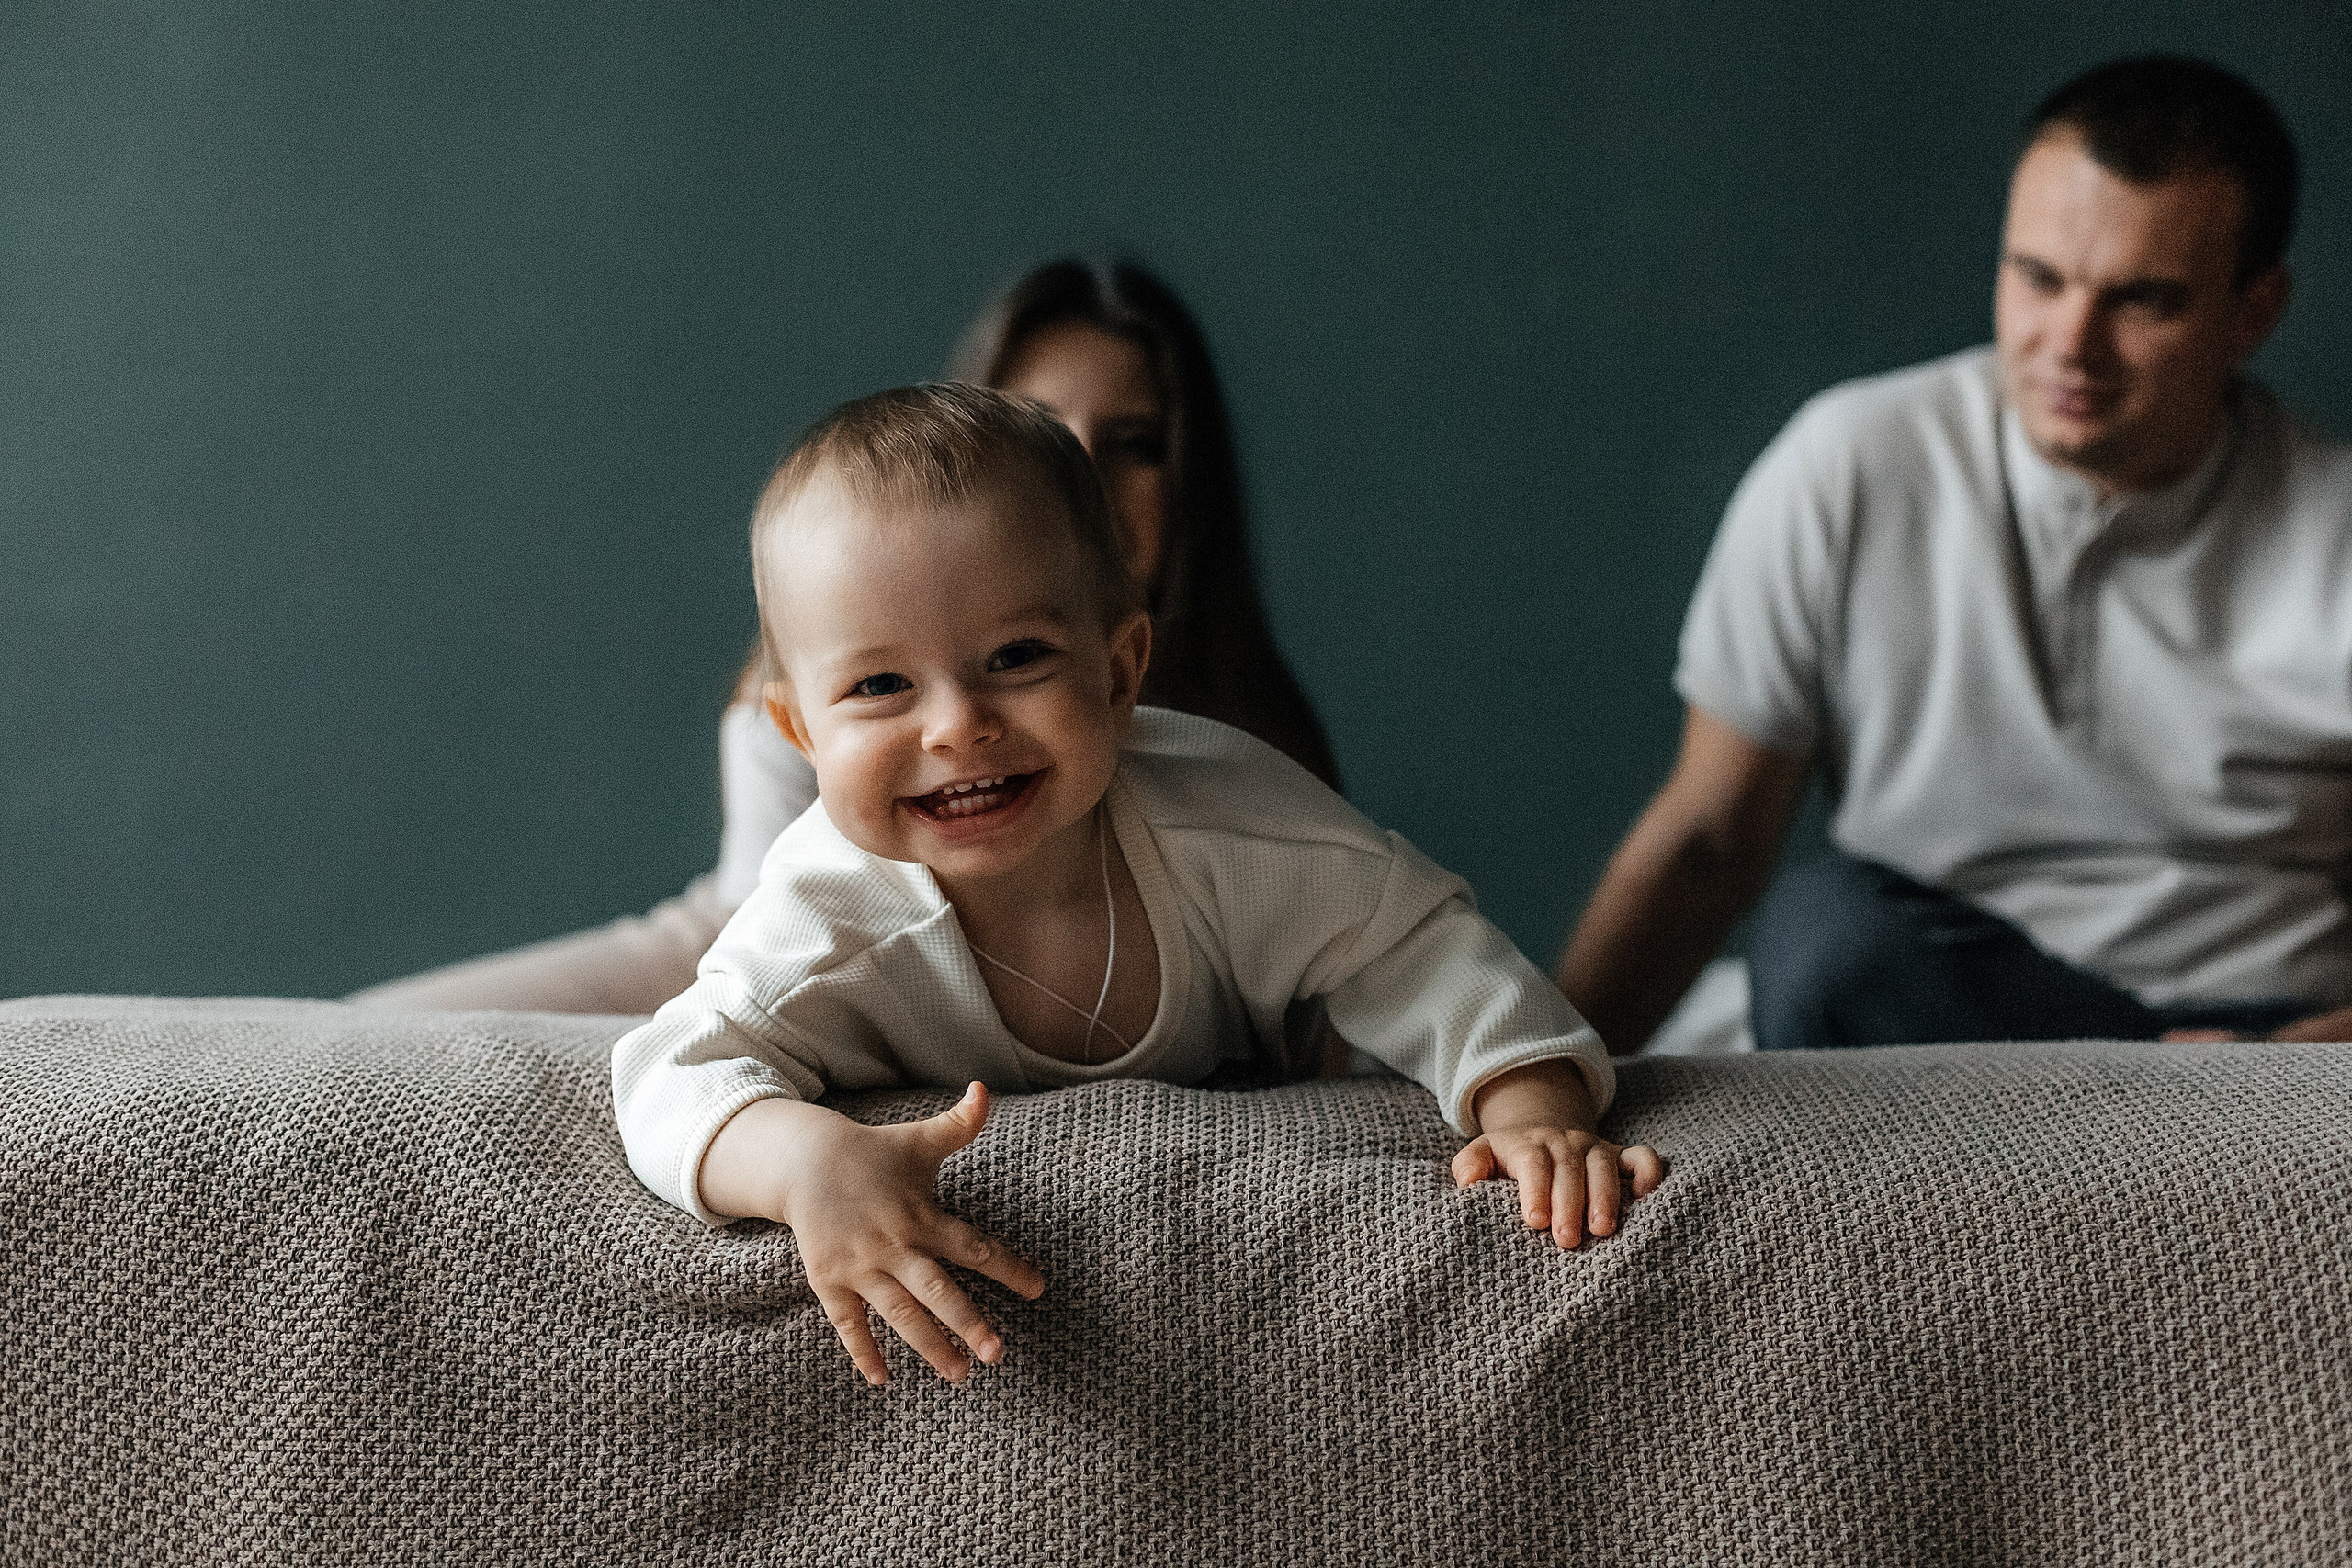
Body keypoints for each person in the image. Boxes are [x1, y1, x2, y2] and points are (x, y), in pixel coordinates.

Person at [612, 384, 1662, 1384]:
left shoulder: (1231, 825)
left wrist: (1528, 1104)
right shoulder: (832, 911)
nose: (956, 725)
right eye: (880, 685)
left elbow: (1421, 944)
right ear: (800, 730)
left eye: (1015, 657)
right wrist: (801, 1165)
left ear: (1118, 675)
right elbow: (669, 1071)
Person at [1559, 55, 2352, 1055]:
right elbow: (1707, 844)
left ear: (2253, 312)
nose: (2069, 342)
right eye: (2037, 277)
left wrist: (2314, 1052)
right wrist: (1532, 1076)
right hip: (1949, 1016)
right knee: (1824, 938)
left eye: (2141, 300)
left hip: (2264, 1038)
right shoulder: (1851, 462)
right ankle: (2138, 1088)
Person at [352, 259, 1336, 1014]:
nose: (1075, 468)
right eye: (1037, 426)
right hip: (736, 956)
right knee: (372, 1036)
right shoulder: (817, 689)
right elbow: (754, 932)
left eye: (1133, 446)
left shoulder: (1248, 763)